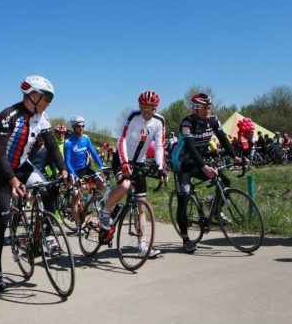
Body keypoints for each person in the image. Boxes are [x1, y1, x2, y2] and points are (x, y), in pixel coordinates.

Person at [0, 75, 69, 292]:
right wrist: (12, 179)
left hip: (24, 166)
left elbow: (52, 144)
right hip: (3, 170)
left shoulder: (42, 117)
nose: (49, 102)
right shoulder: (9, 116)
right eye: (46, 97)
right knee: (3, 215)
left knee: (47, 189)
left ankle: (47, 235)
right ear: (33, 95)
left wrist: (63, 169)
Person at [171, 93, 241, 253]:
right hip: (182, 164)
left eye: (209, 107)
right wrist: (204, 167)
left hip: (198, 162)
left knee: (224, 182)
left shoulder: (213, 120)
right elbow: (190, 147)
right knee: (184, 198)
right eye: (205, 108)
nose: (208, 110)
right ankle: (186, 240)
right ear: (195, 109)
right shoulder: (187, 123)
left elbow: (223, 138)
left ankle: (215, 209)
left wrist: (235, 156)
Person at [99, 90, 166, 258]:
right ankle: (106, 211)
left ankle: (142, 246)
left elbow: (159, 147)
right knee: (125, 185)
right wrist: (125, 163)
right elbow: (121, 139)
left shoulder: (159, 122)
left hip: (140, 163)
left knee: (141, 206)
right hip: (122, 158)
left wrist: (160, 167)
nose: (145, 110)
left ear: (155, 108)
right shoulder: (132, 116)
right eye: (143, 106)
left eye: (149, 108)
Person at [64, 115, 107, 227]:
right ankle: (78, 225)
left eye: (83, 126)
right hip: (73, 171)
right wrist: (74, 176)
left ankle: (91, 202)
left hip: (85, 169)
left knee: (102, 183)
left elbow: (93, 153)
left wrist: (102, 167)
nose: (81, 128)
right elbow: (67, 163)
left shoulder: (86, 138)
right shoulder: (68, 142)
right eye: (79, 126)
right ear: (73, 127)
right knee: (75, 197)